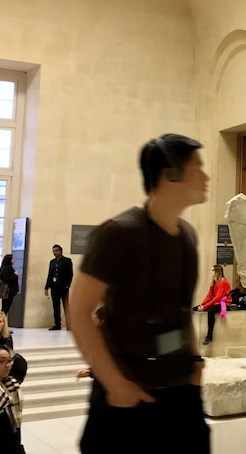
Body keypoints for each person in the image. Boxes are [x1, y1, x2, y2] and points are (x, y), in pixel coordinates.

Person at [69, 133, 211, 453]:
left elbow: (181, 310)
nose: (206, 176)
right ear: (169, 175)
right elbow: (79, 311)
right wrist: (115, 384)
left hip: (180, 391)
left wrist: (195, 361)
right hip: (130, 394)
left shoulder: (187, 236)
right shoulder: (119, 234)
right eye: (197, 167)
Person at [194, 264, 233, 345]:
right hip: (216, 302)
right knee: (195, 308)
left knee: (211, 311)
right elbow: (209, 295)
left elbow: (218, 297)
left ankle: (209, 336)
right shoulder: (214, 282)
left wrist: (205, 307)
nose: (210, 272)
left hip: (224, 303)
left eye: (212, 270)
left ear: (217, 272)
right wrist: (202, 305)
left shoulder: (223, 282)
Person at [45, 244, 73, 330]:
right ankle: (57, 324)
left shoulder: (67, 261)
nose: (55, 252)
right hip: (54, 287)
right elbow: (50, 275)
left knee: (65, 306)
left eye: (56, 250)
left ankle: (69, 324)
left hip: (63, 287)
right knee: (56, 306)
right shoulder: (52, 262)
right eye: (53, 251)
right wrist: (47, 287)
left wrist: (68, 285)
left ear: (60, 251)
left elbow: (70, 274)